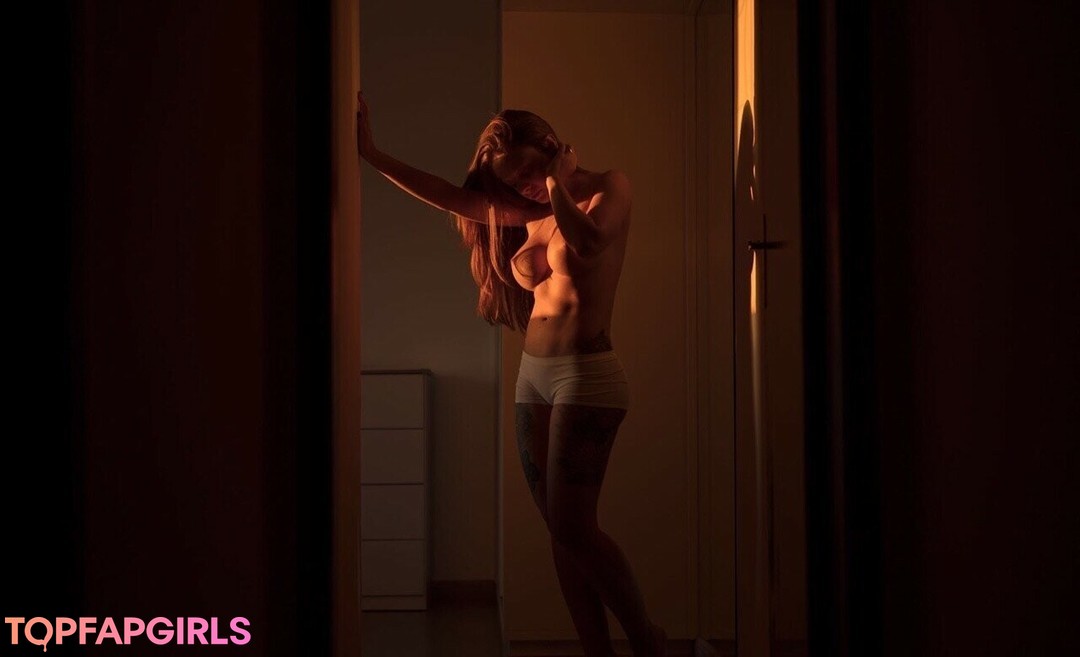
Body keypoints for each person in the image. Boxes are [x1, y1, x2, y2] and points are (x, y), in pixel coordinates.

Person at [356, 91, 666, 657]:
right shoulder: (531, 211)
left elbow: (589, 242)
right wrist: (372, 155)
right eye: (513, 181)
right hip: (534, 377)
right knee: (560, 534)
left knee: (574, 528)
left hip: (587, 376)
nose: (523, 187)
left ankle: (648, 640)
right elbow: (449, 195)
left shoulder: (608, 187)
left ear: (550, 146)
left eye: (527, 171)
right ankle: (596, 650)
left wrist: (556, 184)